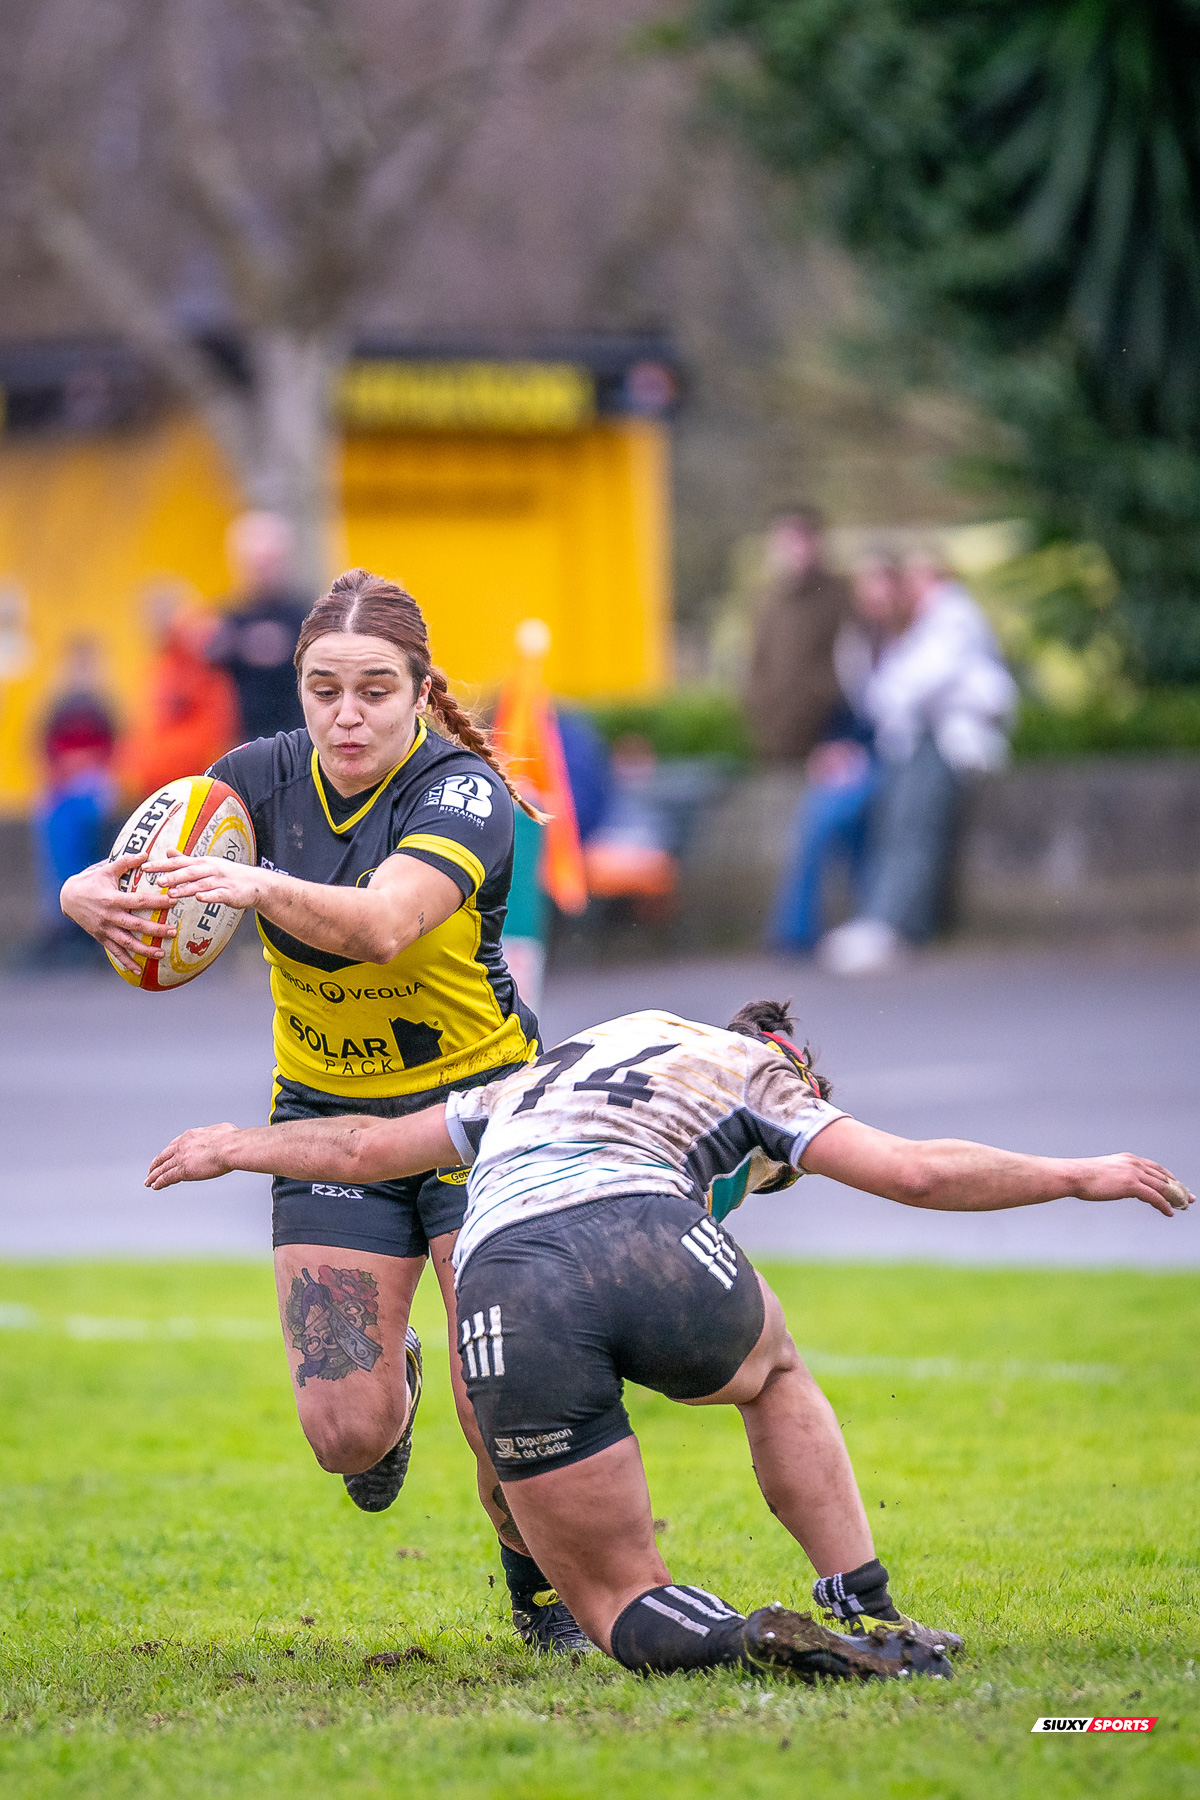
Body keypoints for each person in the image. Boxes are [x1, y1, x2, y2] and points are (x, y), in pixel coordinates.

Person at [144, 999, 1192, 1679]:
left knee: (615, 1602)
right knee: (770, 1370)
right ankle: (865, 1606)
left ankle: (738, 1639)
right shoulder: (757, 1073)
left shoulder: (551, 1067)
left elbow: (371, 1146)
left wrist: (234, 1145)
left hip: (498, 1280)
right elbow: (913, 1172)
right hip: (645, 1233)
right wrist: (1075, 1174)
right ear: (799, 1078)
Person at [59, 568, 589, 1655]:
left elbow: (387, 923)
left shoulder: (463, 793)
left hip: (478, 1118)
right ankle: (392, 1378)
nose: (347, 715)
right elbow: (138, 862)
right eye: (323, 689)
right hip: (322, 1118)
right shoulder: (250, 779)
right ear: (298, 689)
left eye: (375, 690)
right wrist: (82, 895)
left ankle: (542, 1596)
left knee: (505, 1400)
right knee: (345, 1436)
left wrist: (251, 889)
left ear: (417, 689)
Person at [820, 550, 1019, 975]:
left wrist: (894, 695)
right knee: (900, 830)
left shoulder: (954, 617)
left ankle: (894, 927)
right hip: (921, 741)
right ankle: (887, 922)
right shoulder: (930, 623)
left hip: (943, 743)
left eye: (919, 579)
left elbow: (914, 685)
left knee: (913, 831)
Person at [767, 554, 897, 953]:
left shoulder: (907, 642)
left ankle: (801, 930)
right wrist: (833, 748)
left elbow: (889, 713)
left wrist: (856, 751)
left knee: (830, 817)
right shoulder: (855, 644)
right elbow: (850, 708)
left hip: (892, 758)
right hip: (860, 756)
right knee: (825, 812)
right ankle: (802, 930)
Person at [26, 638, 119, 968]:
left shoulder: (101, 706)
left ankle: (83, 923)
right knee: (52, 825)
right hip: (64, 789)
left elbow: (112, 752)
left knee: (86, 814)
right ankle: (59, 917)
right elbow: (46, 751)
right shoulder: (58, 706)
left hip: (90, 788)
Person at [745, 508, 851, 765]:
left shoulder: (839, 595)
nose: (796, 550)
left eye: (801, 540)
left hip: (827, 731)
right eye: (786, 542)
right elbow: (758, 660)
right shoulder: (766, 600)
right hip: (772, 735)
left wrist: (822, 696)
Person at [117, 586, 239, 799]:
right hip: (158, 785)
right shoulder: (158, 668)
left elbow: (214, 730)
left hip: (191, 785)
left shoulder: (202, 668)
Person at [207, 512, 311, 741]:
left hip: (300, 737)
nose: (262, 571)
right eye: (255, 561)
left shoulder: (307, 615)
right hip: (243, 739)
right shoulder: (227, 618)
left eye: (270, 561)